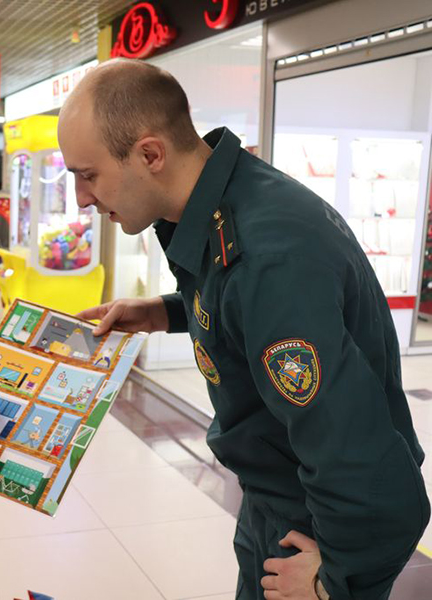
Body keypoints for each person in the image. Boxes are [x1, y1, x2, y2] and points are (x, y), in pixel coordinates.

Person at [59, 59, 429, 600]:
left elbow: (358, 455)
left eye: (88, 175)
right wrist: (166, 312)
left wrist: (333, 582)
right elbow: (240, 305)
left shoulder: (266, 258)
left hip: (316, 532)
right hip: (275, 495)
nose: (81, 199)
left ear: (151, 155)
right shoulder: (230, 197)